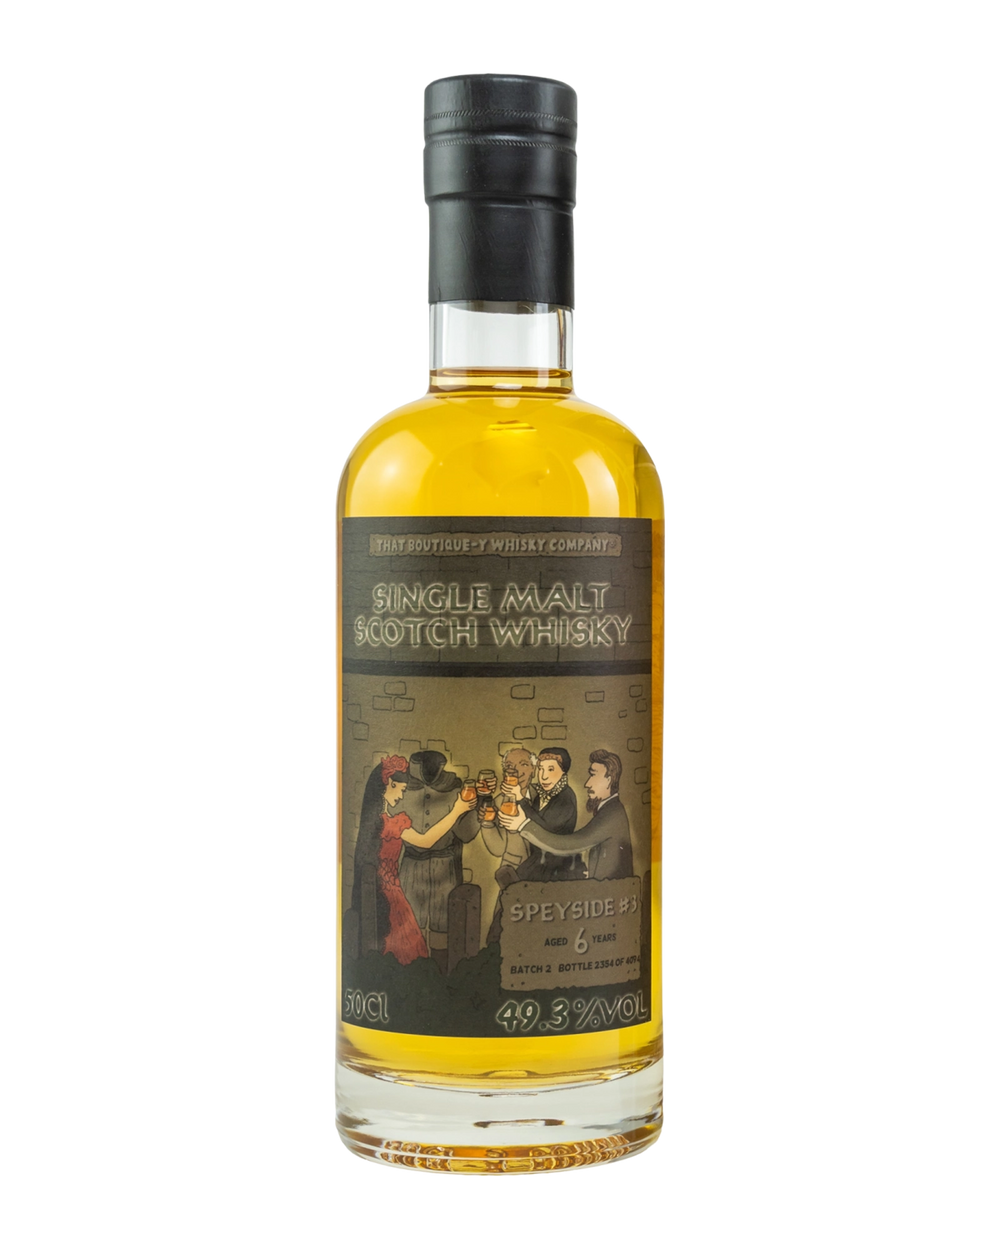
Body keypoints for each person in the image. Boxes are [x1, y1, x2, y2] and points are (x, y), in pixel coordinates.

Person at [353, 755, 477, 965]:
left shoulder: (377, 822)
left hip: (389, 889)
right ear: (389, 784)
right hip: (391, 894)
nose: (402, 795)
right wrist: (457, 810)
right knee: (404, 947)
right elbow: (425, 841)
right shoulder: (389, 824)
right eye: (400, 789)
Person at [487, 747, 582, 945]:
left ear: (563, 772)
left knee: (538, 925)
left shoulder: (565, 798)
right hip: (533, 865)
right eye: (542, 769)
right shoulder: (540, 795)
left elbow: (547, 829)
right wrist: (488, 822)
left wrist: (520, 804)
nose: (544, 776)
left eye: (551, 769)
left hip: (555, 869)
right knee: (504, 921)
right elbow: (498, 845)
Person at [397, 749, 481, 973]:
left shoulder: (455, 789)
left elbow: (465, 834)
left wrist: (478, 806)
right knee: (408, 928)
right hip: (412, 868)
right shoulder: (401, 788)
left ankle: (440, 979)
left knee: (442, 930)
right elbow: (417, 840)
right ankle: (411, 980)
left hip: (446, 867)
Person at [516, 749, 633, 880]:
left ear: (608, 780)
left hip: (612, 889)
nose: (587, 784)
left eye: (593, 775)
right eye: (541, 769)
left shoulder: (611, 813)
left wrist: (523, 825)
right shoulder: (609, 809)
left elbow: (570, 844)